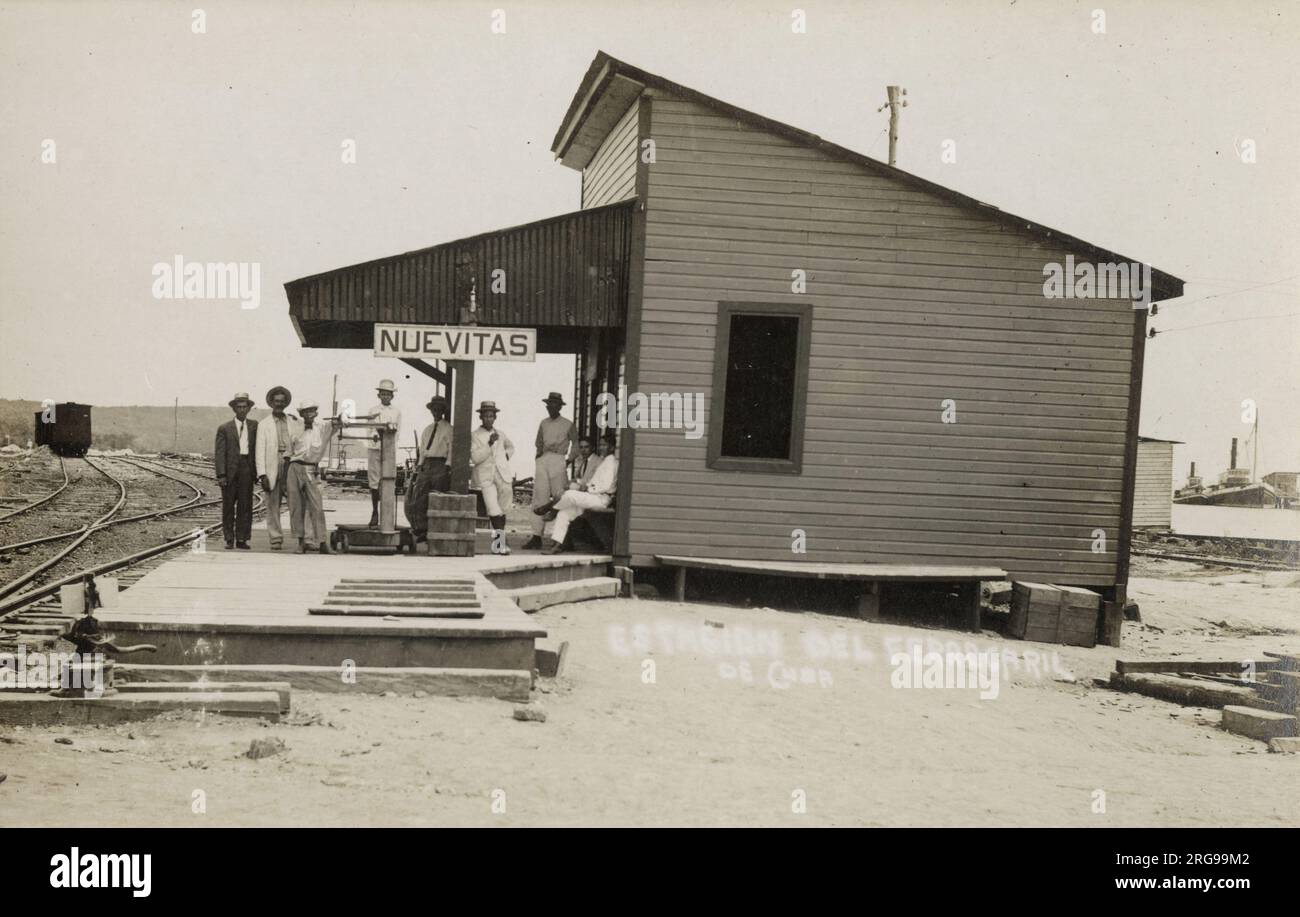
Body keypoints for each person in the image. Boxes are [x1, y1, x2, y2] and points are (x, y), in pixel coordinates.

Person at [538, 432, 618, 554]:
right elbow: (594, 481)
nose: (602, 447)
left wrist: (588, 489)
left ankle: (553, 510)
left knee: (569, 495)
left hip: (601, 499)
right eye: (600, 445)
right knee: (564, 513)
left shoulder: (611, 462)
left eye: (605, 445)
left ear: (612, 447)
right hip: (593, 497)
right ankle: (557, 545)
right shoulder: (605, 461)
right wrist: (585, 486)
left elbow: (605, 486)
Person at [523, 392, 577, 551]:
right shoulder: (543, 423)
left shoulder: (568, 424)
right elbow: (538, 443)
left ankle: (564, 538)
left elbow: (576, 445)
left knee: (561, 497)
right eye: (549, 404)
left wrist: (568, 460)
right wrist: (538, 457)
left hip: (559, 459)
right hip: (544, 459)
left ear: (560, 406)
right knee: (539, 497)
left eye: (554, 404)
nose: (550, 407)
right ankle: (536, 536)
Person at [255, 385, 302, 551]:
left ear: (286, 403)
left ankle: (300, 538)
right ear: (271, 403)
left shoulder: (293, 421)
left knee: (295, 503)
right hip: (272, 464)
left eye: (282, 402)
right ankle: (275, 539)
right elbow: (259, 451)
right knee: (272, 504)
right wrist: (262, 474)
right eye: (276, 401)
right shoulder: (264, 424)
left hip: (290, 463)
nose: (279, 404)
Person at [285, 400, 333, 554]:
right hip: (294, 468)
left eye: (312, 411)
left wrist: (341, 417)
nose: (309, 414)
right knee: (296, 507)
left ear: (316, 413)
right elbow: (287, 454)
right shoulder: (294, 428)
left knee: (317, 507)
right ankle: (301, 543)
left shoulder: (323, 428)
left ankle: (323, 542)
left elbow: (338, 424)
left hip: (311, 469)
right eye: (306, 411)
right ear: (301, 414)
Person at [404, 395, 452, 542]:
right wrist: (418, 467)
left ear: (443, 411)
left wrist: (448, 466)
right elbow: (423, 450)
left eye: (438, 409)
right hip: (427, 465)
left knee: (437, 497)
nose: (436, 412)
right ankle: (421, 530)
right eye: (433, 409)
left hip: (440, 464)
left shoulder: (449, 429)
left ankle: (435, 530)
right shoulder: (427, 429)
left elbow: (451, 449)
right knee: (420, 496)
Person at [214, 392, 258, 550]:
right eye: (238, 407)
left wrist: (257, 472)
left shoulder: (254, 426)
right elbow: (219, 453)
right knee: (228, 506)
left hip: (247, 468)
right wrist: (221, 474)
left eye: (244, 407)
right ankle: (229, 538)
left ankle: (242, 538)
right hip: (230, 470)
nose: (241, 410)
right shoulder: (224, 428)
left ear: (249, 408)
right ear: (234, 409)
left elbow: (257, 450)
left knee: (245, 506)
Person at [469, 401, 514, 555]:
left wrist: (505, 456)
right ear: (481, 417)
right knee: (493, 508)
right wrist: (489, 443)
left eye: (491, 416)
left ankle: (499, 544)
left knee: (502, 509)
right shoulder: (475, 435)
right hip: (485, 477)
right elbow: (475, 457)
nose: (489, 419)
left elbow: (510, 446)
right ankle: (501, 543)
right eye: (486, 416)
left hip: (502, 475)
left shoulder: (501, 434)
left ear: (495, 417)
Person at [365, 379, 402, 527]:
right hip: (374, 449)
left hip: (389, 450)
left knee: (388, 479)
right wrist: (376, 437)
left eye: (388, 394)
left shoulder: (397, 412)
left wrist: (389, 444)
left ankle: (387, 515)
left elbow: (397, 432)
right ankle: (375, 512)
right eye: (383, 393)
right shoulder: (373, 410)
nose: (385, 396)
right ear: (379, 395)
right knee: (374, 481)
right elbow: (369, 429)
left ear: (392, 396)